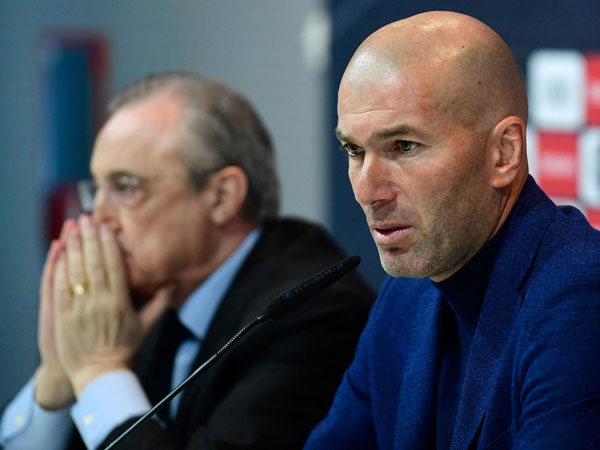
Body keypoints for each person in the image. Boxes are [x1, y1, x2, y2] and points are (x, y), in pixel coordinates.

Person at [0, 72, 374, 450]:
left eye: (126, 187)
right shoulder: (135, 298)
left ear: (221, 197)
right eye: (96, 190)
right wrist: (58, 383)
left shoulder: (311, 314)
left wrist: (99, 368)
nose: (98, 219)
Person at [304, 11, 600, 449]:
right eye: (354, 150)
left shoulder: (581, 295)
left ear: (504, 153)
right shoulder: (404, 298)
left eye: (404, 146)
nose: (367, 191)